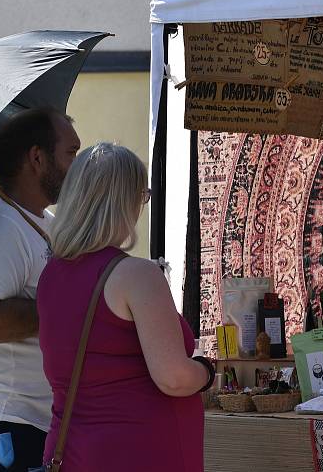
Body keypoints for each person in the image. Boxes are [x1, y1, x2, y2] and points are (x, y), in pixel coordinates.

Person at [37, 143, 211, 472]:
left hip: (74, 450)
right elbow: (173, 378)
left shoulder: (51, 276)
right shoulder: (135, 275)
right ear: (123, 201)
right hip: (139, 452)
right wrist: (207, 370)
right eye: (142, 195)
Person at [0, 107, 81, 471]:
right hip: (0, 422)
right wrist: (65, 307)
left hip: (33, 421)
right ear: (37, 158)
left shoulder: (44, 222)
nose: (78, 165)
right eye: (71, 153)